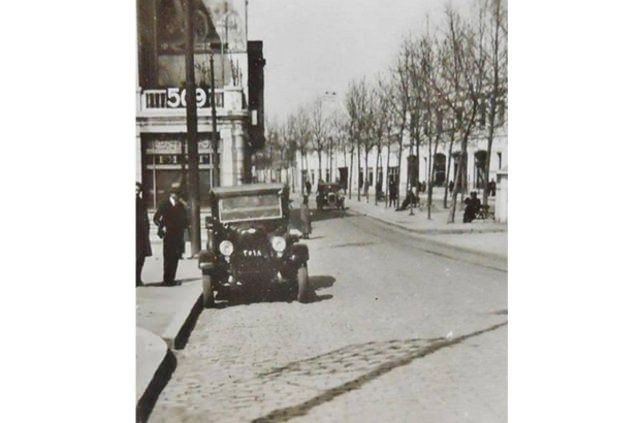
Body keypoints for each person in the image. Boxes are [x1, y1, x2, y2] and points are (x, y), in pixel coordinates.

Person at [153, 184, 189, 286]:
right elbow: (156, 218)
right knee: (168, 257)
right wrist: (161, 227)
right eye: (174, 194)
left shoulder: (181, 206)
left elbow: (185, 220)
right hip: (168, 234)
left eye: (177, 194)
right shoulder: (164, 204)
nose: (175, 196)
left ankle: (172, 279)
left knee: (175, 257)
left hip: (178, 235)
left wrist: (184, 227)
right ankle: (166, 279)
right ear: (170, 194)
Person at [136, 182, 152, 287]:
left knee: (141, 257)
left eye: (137, 190)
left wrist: (147, 229)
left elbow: (145, 217)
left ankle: (137, 278)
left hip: (141, 234)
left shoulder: (142, 202)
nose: (136, 192)